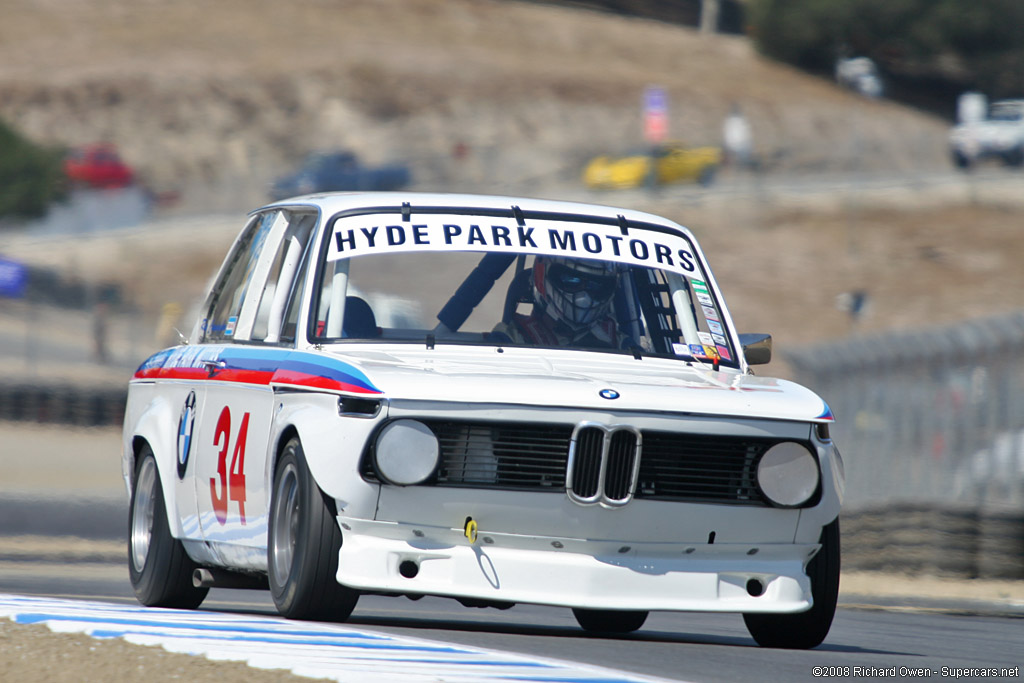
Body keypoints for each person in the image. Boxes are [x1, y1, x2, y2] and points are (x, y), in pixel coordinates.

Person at [493, 256, 631, 350]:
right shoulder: (509, 339)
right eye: (571, 280)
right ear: (542, 278)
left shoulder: (622, 345)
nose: (583, 296)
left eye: (595, 285)